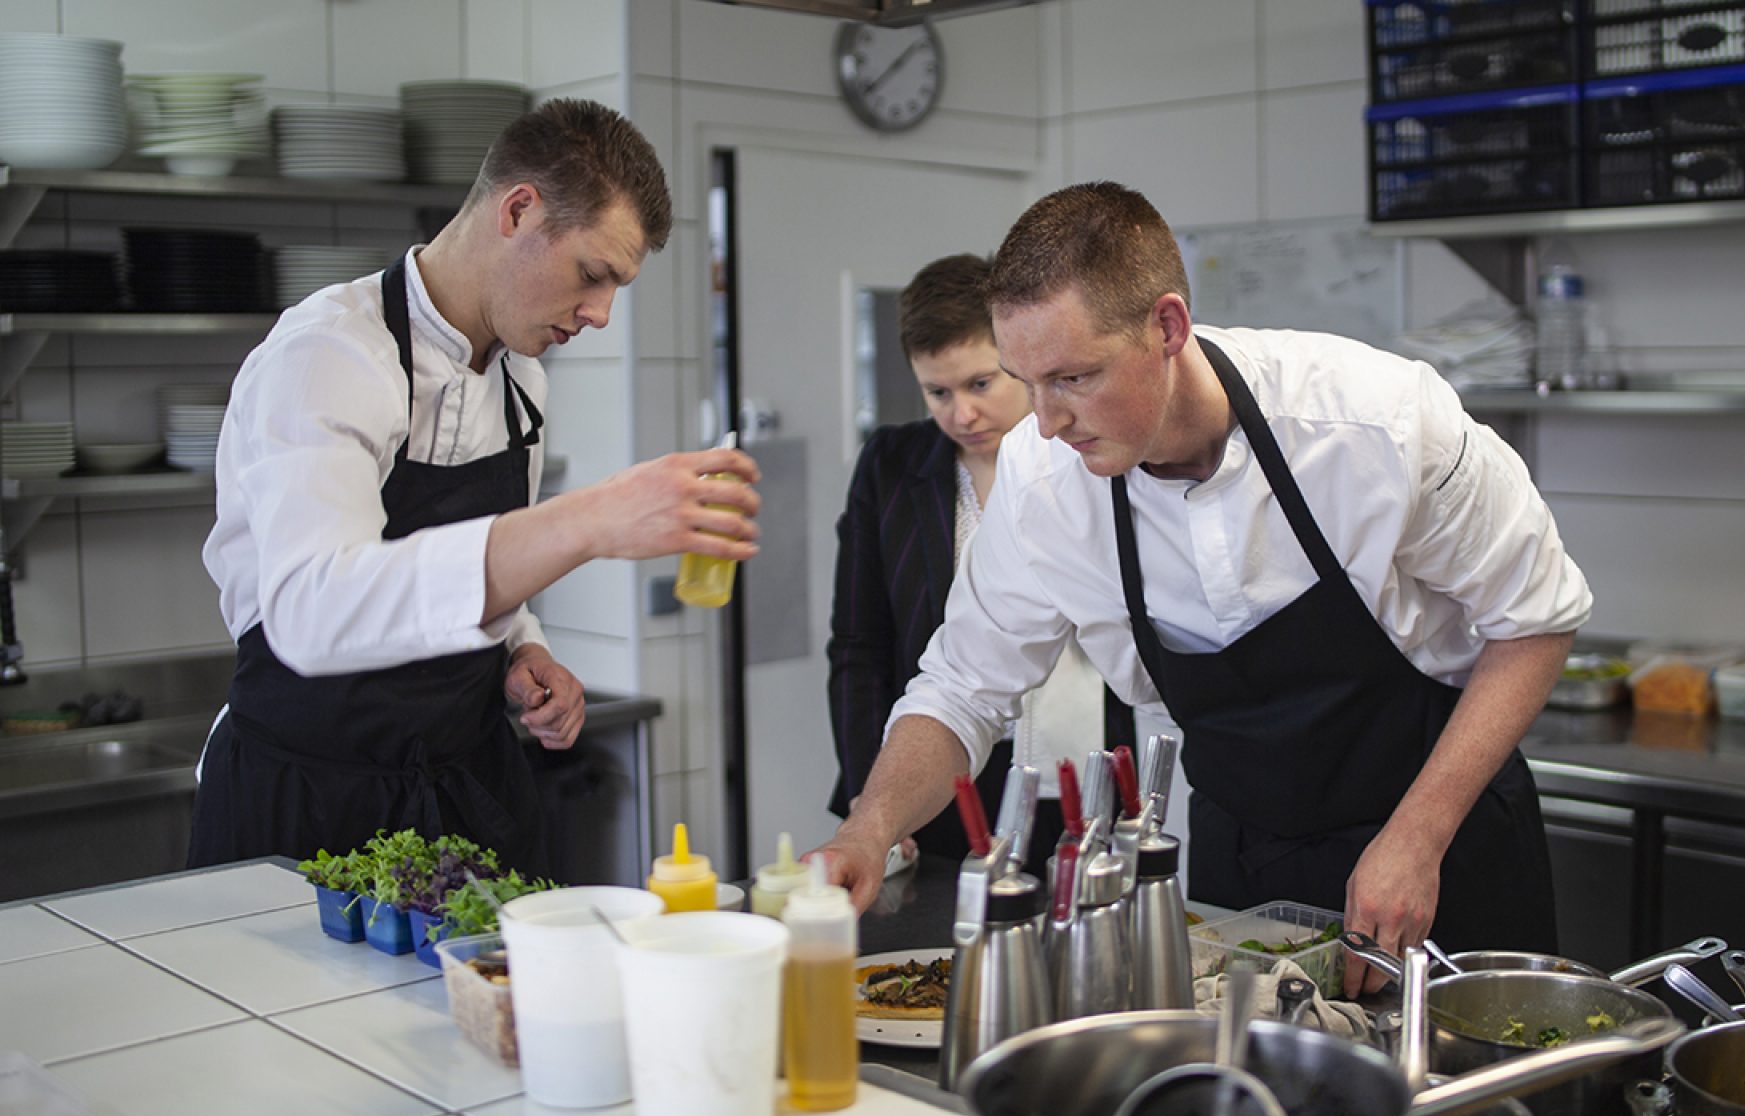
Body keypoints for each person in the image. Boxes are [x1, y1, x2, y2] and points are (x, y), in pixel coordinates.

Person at [815, 182, 1589, 993]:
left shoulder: (1376, 426)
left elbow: (1535, 621)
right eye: (1026, 380)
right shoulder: (1044, 481)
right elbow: (965, 686)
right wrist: (869, 830)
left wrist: (1417, 838)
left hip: (1446, 845)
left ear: (1168, 327)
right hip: (1245, 868)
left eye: (1074, 377)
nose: (1044, 421)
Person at [190, 99, 760, 874]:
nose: (599, 314)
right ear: (518, 210)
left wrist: (523, 650)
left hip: (466, 790)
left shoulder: (521, 377)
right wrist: (591, 519)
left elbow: (476, 574)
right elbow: (312, 610)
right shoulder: (332, 353)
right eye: (592, 275)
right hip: (309, 796)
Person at [827, 254, 1133, 866]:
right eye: (937, 392)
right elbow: (859, 644)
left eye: (980, 384)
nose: (961, 414)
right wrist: (873, 798)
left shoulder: (1095, 454)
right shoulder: (891, 464)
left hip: (1083, 758)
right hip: (942, 765)